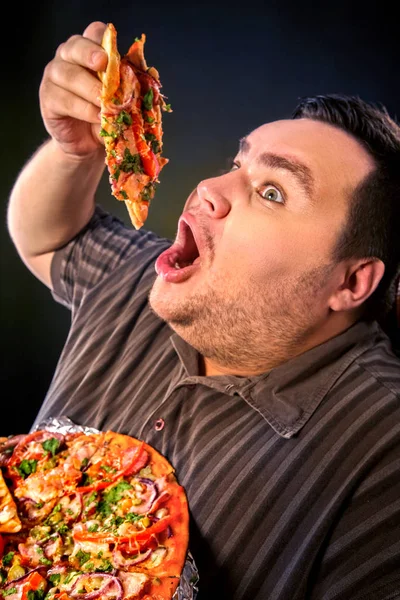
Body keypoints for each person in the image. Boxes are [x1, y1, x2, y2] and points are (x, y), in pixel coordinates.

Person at [7, 20, 400, 600]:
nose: (209, 189)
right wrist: (75, 152)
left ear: (351, 281)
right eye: (237, 163)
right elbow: (46, 237)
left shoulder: (382, 448)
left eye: (272, 192)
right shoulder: (147, 279)